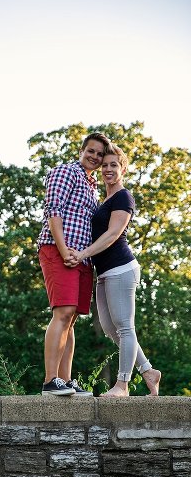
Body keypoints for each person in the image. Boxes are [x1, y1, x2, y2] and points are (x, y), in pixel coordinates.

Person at [65, 144, 161, 397]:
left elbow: (113, 234)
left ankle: (122, 385)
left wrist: (83, 254)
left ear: (123, 168)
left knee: (125, 327)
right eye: (104, 164)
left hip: (121, 268)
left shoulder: (123, 197)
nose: (107, 169)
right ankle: (148, 370)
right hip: (104, 273)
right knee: (110, 329)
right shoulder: (103, 199)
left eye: (113, 165)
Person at [37, 132, 111, 396]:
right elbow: (53, 211)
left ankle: (65, 381)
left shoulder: (91, 186)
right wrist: (63, 248)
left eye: (100, 154)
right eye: (90, 151)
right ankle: (50, 381)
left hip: (81, 257)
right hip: (58, 251)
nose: (95, 157)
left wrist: (82, 255)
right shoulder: (65, 172)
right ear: (81, 150)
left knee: (72, 319)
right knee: (63, 312)